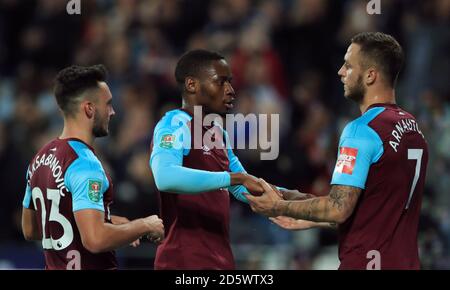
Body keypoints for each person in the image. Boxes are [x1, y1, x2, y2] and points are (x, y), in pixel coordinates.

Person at [246, 32, 429, 270]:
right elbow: (377, 210)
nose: (341, 72)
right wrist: (305, 208)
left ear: (370, 75)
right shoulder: (413, 128)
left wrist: (278, 207)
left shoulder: (360, 131)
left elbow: (338, 208)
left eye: (349, 65)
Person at [21, 65, 165, 270]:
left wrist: (105, 219)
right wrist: (145, 225)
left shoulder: (39, 157)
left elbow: (31, 229)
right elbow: (95, 239)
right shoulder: (85, 164)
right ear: (89, 108)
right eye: (108, 104)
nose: (113, 112)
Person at [149, 49, 265, 270]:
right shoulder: (173, 124)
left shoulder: (218, 133)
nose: (231, 91)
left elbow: (244, 187)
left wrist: (291, 199)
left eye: (230, 82)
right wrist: (233, 178)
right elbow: (164, 177)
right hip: (182, 262)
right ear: (192, 85)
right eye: (221, 82)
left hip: (221, 260)